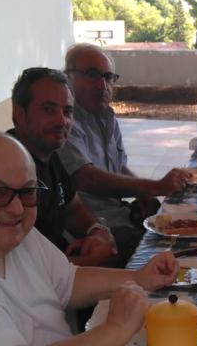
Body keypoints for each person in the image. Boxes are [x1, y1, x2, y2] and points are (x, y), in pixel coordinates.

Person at [0, 131, 179, 346]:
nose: (17, 208)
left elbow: (69, 281)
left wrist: (140, 277)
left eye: (27, 192)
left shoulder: (21, 237)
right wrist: (116, 329)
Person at [58, 43, 191, 230]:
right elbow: (85, 177)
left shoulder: (105, 116)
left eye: (108, 77)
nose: (102, 85)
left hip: (117, 212)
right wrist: (154, 187)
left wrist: (144, 194)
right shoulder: (64, 122)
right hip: (93, 226)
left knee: (183, 220)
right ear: (67, 77)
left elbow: (119, 166)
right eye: (92, 75)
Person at [9, 67, 125, 267]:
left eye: (67, 111)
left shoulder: (49, 154)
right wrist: (86, 263)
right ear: (19, 113)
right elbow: (13, 269)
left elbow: (74, 208)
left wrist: (97, 231)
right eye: (48, 109)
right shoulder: (8, 166)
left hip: (62, 265)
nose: (61, 120)